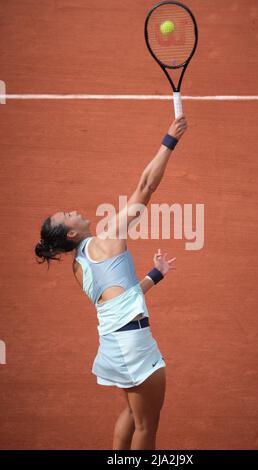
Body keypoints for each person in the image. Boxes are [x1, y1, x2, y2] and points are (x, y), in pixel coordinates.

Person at [35, 115, 188, 449]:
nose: (72, 210)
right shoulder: (107, 237)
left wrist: (153, 276)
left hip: (114, 346)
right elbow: (146, 186)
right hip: (134, 347)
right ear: (72, 232)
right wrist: (169, 139)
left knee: (133, 414)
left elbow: (120, 301)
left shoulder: (79, 266)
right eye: (66, 215)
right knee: (147, 426)